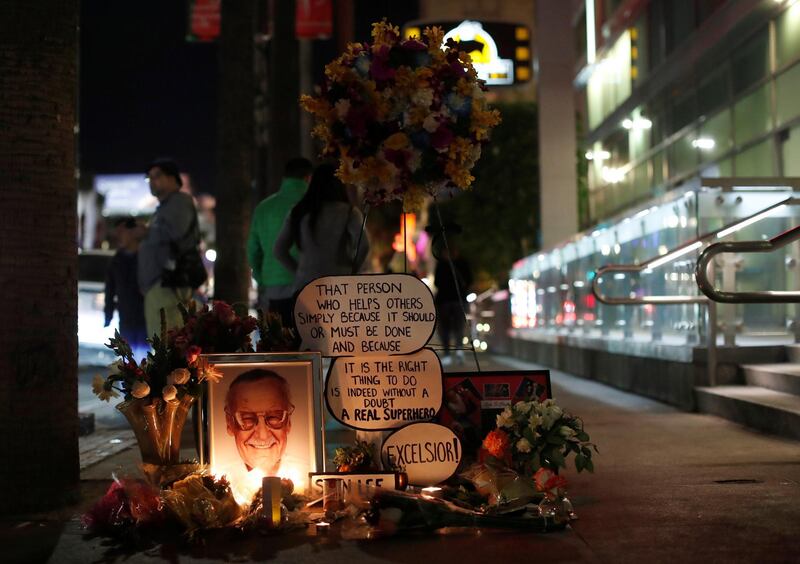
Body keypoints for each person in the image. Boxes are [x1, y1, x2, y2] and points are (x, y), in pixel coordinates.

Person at [273, 163, 370, 296]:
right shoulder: (349, 212)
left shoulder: (299, 211)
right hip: (340, 286)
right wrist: (352, 270)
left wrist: (299, 271)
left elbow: (279, 250)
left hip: (305, 286)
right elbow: (363, 245)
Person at [138, 158, 201, 338]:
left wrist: (146, 232)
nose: (151, 181)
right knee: (161, 344)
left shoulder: (179, 201)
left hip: (168, 286)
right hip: (161, 286)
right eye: (149, 178)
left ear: (173, 178)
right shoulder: (165, 207)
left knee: (167, 345)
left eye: (156, 176)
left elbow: (175, 231)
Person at [247, 158, 313, 327]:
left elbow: (253, 250)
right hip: (310, 284)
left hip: (273, 285)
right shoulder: (314, 205)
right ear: (308, 178)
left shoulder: (264, 207)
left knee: (280, 343)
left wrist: (261, 278)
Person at [224, 369, 293, 476]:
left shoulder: (311, 480)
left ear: (288, 422)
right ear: (230, 423)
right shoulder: (217, 484)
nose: (263, 436)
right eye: (247, 419)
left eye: (274, 417)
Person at [104, 218, 148, 358]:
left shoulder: (146, 256)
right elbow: (110, 289)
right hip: (126, 316)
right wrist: (108, 313)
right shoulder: (117, 259)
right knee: (128, 360)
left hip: (145, 315)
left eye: (123, 232)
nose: (120, 236)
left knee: (145, 358)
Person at [434, 243, 473, 365]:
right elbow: (470, 280)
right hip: (458, 299)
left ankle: (448, 354)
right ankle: (458, 351)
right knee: (458, 327)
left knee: (445, 328)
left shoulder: (442, 264)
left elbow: (437, 282)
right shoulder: (461, 263)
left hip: (445, 301)